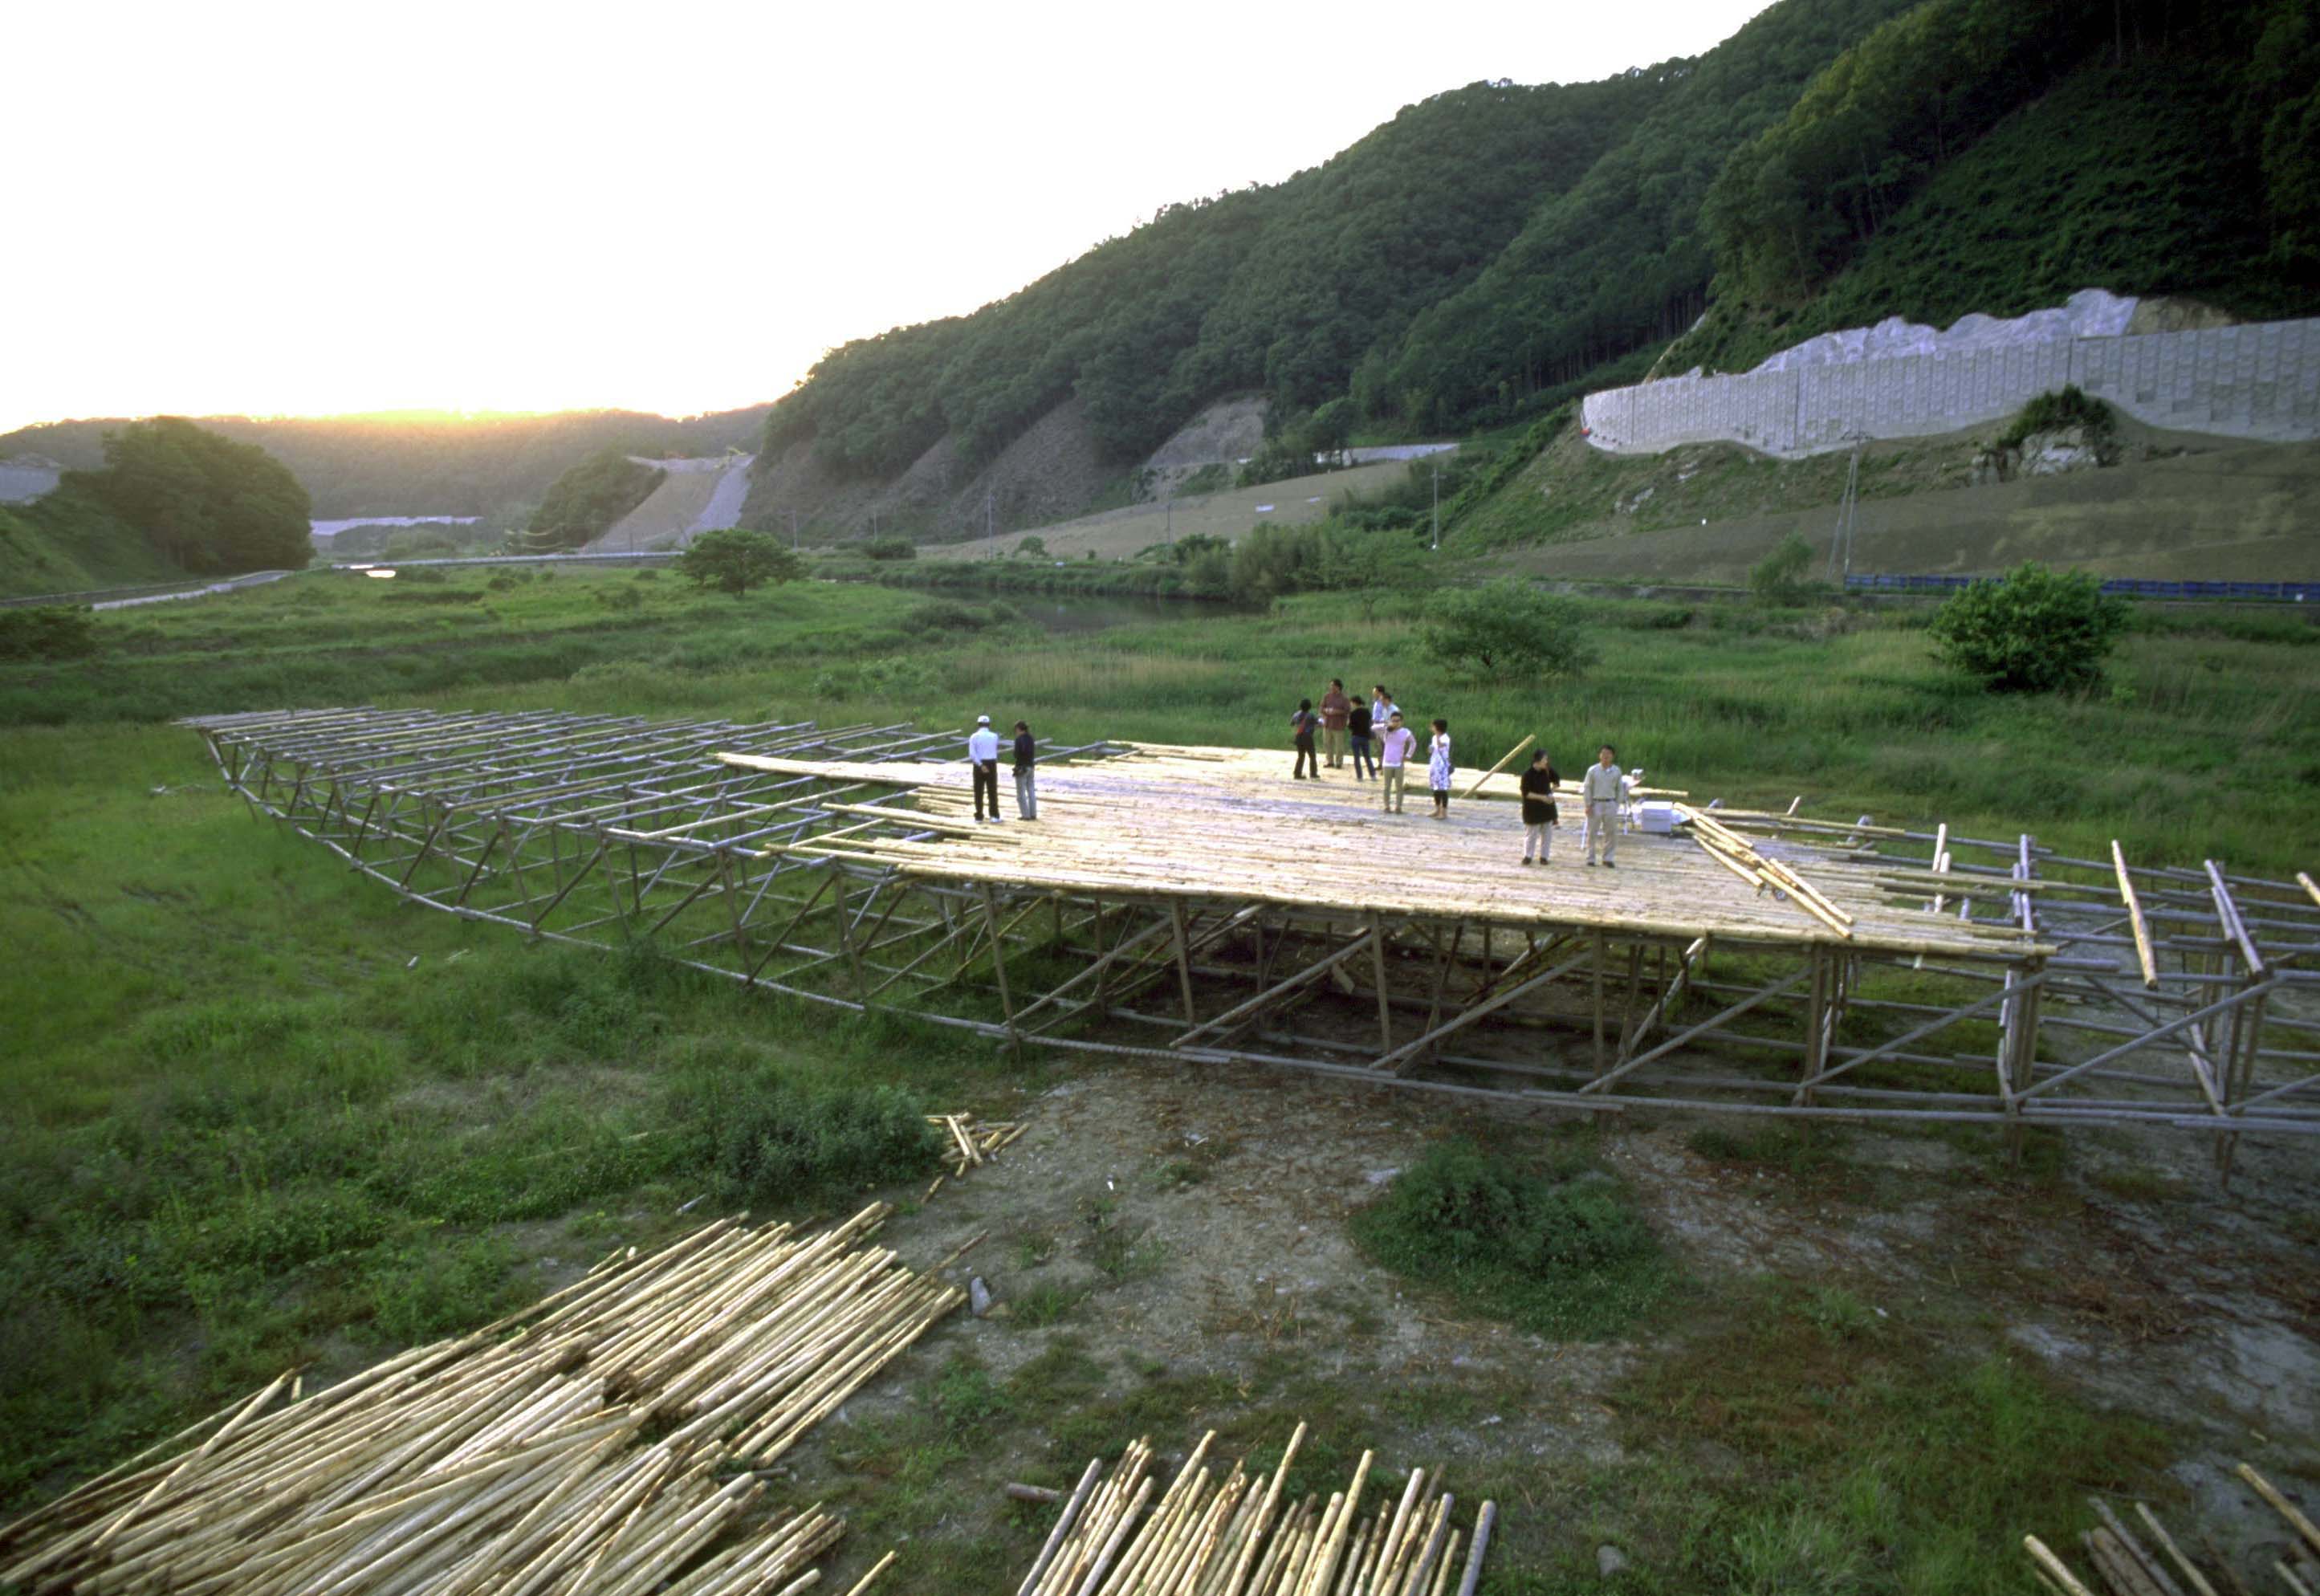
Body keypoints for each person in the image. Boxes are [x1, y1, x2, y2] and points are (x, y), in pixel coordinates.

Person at [1581, 743, 1623, 866]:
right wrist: (1588, 804)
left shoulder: (1616, 771)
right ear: (1599, 755)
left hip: (1610, 803)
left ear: (1612, 756)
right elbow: (1587, 788)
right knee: (1592, 832)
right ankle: (1590, 858)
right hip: (1596, 803)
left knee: (1611, 833)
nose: (1606, 756)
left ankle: (1608, 858)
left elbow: (1620, 789)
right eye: (1603, 754)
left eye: (1608, 754)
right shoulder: (1593, 770)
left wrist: (1617, 804)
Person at [1518, 747, 1561, 865]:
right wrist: (1542, 797)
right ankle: (1528, 856)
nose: (1546, 761)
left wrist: (1551, 793)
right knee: (1531, 834)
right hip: (1532, 808)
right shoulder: (1527, 775)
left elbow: (1557, 781)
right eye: (1545, 759)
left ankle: (1544, 857)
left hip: (1547, 808)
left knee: (1547, 834)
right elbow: (1526, 793)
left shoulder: (1547, 771)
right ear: (1538, 760)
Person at [1377, 710, 1417, 813]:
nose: (1395, 722)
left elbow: (1413, 743)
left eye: (1397, 721)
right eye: (1393, 720)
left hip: (1398, 762)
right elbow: (1373, 728)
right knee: (1387, 786)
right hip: (1387, 762)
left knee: (1399, 786)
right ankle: (1387, 806)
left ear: (1401, 721)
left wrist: (1408, 755)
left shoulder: (1405, 731)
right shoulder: (1387, 730)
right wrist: (1387, 725)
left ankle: (1398, 807)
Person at [967, 714, 1003, 823]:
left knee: (978, 791)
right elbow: (995, 749)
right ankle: (994, 815)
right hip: (991, 763)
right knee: (992, 790)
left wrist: (980, 765)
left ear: (978, 724)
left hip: (979, 764)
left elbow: (972, 754)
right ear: (989, 724)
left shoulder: (974, 736)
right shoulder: (994, 736)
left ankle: (979, 816)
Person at [1319, 679, 1353, 769]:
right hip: (1327, 724)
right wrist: (1325, 710)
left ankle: (1339, 762)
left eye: (1333, 686)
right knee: (1327, 743)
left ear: (1338, 687)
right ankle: (1330, 761)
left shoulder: (1344, 699)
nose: (1331, 687)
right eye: (1330, 686)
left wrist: (1336, 712)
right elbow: (1321, 707)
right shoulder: (1327, 696)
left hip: (1339, 725)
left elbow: (1347, 711)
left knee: (1339, 745)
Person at [1011, 720, 1038, 820]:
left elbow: (1017, 754)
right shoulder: (1031, 738)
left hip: (1021, 767)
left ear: (1018, 729)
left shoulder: (1019, 740)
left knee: (1021, 793)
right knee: (1031, 790)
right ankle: (1033, 813)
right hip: (1031, 766)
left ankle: (1025, 815)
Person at [1427, 719, 1454, 818]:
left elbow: (1440, 745)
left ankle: (1444, 812)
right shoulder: (1434, 737)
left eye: (1433, 726)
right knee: (1435, 788)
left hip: (1442, 766)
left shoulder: (1446, 738)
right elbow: (1434, 748)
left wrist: (1437, 735)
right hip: (1434, 764)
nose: (1431, 727)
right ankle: (1437, 809)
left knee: (1443, 789)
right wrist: (1430, 749)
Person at [1347, 694, 1375, 780]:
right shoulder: (1367, 712)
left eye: (1351, 703)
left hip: (1356, 737)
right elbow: (1371, 722)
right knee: (1367, 757)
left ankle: (1360, 776)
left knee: (1357, 757)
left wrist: (1348, 722)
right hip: (1365, 737)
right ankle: (1372, 775)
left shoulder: (1352, 713)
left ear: (1355, 703)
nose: (1351, 705)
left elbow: (1350, 726)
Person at [1290, 698, 1320, 779]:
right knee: (1312, 756)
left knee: (1301, 756)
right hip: (1307, 737)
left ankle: (1297, 773)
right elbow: (1319, 723)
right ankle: (1313, 774)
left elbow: (1292, 724)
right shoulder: (1311, 715)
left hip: (1298, 736)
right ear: (1309, 707)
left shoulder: (1296, 714)